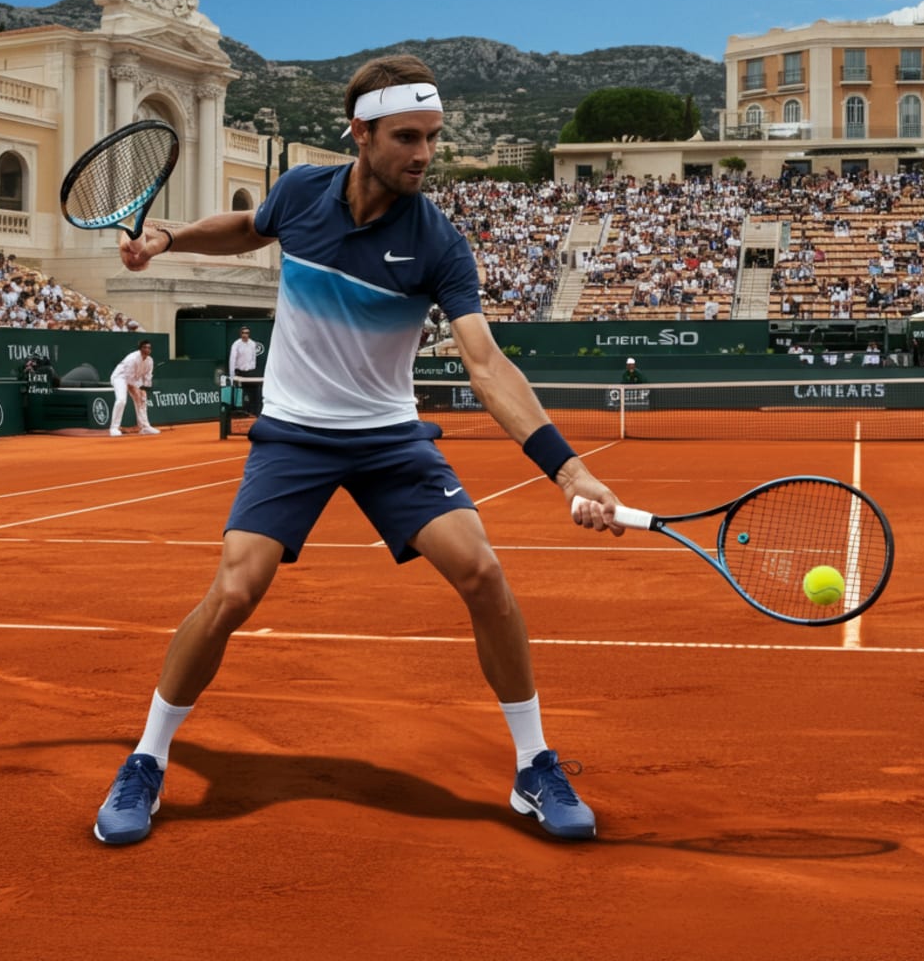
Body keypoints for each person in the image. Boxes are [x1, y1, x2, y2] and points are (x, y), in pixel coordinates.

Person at [93, 54, 620, 848]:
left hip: (387, 438)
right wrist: (167, 237)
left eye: (433, 138)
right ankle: (148, 758)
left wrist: (569, 467)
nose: (424, 154)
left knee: (481, 571)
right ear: (361, 132)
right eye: (407, 136)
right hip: (295, 433)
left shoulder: (438, 240)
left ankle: (533, 763)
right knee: (236, 591)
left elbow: (486, 363)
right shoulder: (303, 191)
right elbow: (250, 228)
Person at [109, 340, 159, 436]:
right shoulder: (132, 358)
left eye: (149, 348)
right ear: (140, 349)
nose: (147, 350)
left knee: (142, 399)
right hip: (120, 378)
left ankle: (144, 427)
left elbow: (147, 377)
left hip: (135, 379)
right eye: (145, 347)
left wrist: (143, 390)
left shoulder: (150, 361)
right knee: (121, 400)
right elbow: (128, 378)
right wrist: (137, 391)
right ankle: (114, 428)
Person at [228, 325, 261, 417]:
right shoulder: (236, 344)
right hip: (239, 372)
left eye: (247, 333)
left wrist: (251, 368)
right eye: (243, 333)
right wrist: (232, 375)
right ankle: (241, 412)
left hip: (250, 372)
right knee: (242, 393)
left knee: (254, 392)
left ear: (249, 334)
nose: (245, 335)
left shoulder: (252, 344)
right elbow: (232, 359)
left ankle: (254, 411)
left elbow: (254, 359)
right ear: (240, 334)